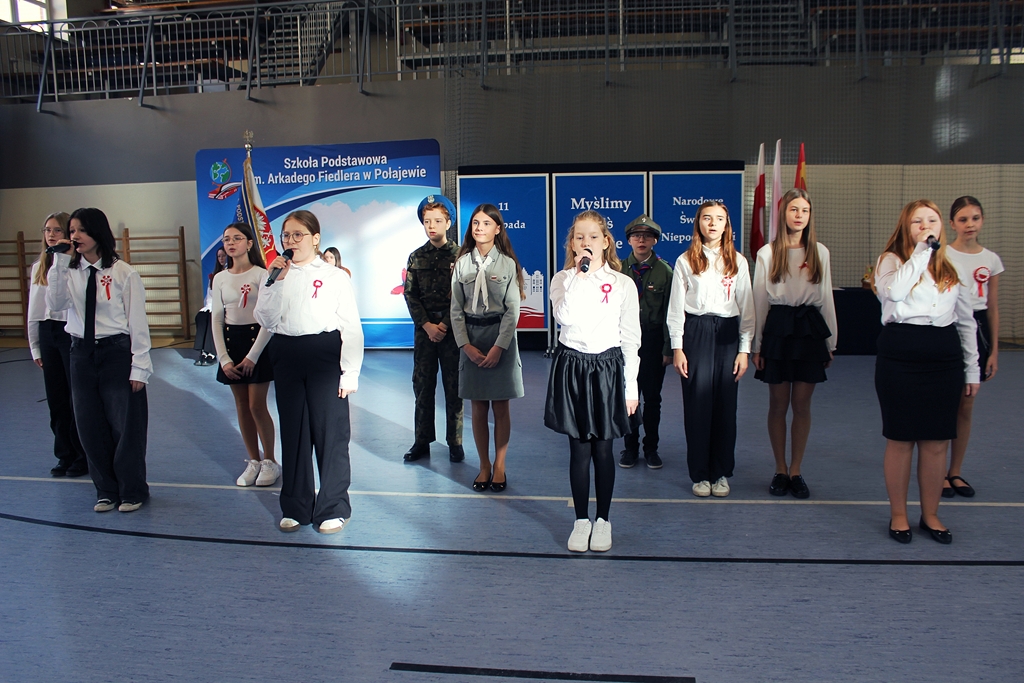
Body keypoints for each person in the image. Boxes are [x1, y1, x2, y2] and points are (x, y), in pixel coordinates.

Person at [873, 199, 979, 544]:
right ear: (906, 228)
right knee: (901, 438)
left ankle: (931, 514)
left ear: (941, 225)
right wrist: (921, 253)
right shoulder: (891, 261)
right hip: (900, 354)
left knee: (936, 441)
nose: (925, 226)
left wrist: (972, 370)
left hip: (943, 357)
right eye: (917, 221)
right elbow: (895, 291)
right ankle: (899, 514)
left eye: (931, 220)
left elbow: (966, 322)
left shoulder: (951, 267)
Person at [254, 210, 364, 534]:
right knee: (294, 433)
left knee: (330, 433)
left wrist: (350, 372)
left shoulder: (334, 276)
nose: (291, 241)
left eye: (298, 234)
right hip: (286, 353)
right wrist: (275, 283)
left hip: (323, 354)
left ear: (315, 239)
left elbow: (350, 326)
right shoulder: (276, 273)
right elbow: (265, 319)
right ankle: (296, 506)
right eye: (286, 235)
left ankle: (333, 506)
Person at [545, 210, 640, 552]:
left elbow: (631, 337)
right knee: (579, 449)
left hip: (608, 368)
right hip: (573, 365)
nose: (586, 242)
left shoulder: (622, 283)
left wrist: (631, 387)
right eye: (579, 237)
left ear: (606, 242)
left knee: (603, 448)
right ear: (571, 243)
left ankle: (603, 521)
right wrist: (579, 276)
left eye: (593, 237)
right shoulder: (562, 279)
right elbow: (564, 316)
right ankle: (581, 520)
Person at [46, 207, 151, 513]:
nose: (74, 236)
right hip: (81, 353)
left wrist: (140, 367)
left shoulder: (122, 273)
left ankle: (132, 490)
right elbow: (56, 305)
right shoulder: (67, 270)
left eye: (81, 230)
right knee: (89, 424)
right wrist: (60, 263)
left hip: (115, 352)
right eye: (72, 231)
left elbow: (138, 323)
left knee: (124, 425)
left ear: (97, 233)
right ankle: (105, 490)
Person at [751, 188, 837, 500]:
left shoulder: (820, 252)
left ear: (810, 215)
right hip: (778, 329)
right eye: (793, 210)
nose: (799, 215)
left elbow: (826, 297)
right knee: (778, 404)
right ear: (783, 213)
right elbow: (759, 301)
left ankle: (797, 470)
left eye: (804, 210)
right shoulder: (767, 253)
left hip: (808, 330)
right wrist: (757, 345)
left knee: (801, 405)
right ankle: (780, 469)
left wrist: (830, 342)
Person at [667, 201, 755, 498]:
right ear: (699, 223)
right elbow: (676, 309)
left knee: (725, 407)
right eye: (707, 218)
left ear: (727, 225)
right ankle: (700, 474)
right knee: (697, 405)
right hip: (696, 332)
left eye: (719, 218)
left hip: (728, 334)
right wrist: (678, 347)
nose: (713, 223)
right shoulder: (685, 261)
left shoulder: (737, 261)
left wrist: (744, 349)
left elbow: (747, 308)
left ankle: (720, 472)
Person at [450, 203, 524, 493]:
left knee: (501, 406)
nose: (479, 228)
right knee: (478, 407)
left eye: (486, 223)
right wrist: (465, 346)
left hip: (499, 339)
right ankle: (484, 466)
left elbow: (512, 310)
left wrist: (499, 347)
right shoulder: (462, 264)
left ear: (498, 229)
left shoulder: (507, 265)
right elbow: (456, 309)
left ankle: (500, 466)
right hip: (471, 338)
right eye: (475, 223)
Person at [211, 222, 280, 488]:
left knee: (256, 405)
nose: (231, 243)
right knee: (241, 405)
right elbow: (217, 319)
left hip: (257, 344)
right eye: (227, 239)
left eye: (237, 238)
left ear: (249, 243)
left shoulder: (262, 275)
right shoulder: (220, 278)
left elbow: (268, 319)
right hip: (232, 343)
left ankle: (270, 460)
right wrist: (224, 359)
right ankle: (253, 460)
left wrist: (253, 356)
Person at [942, 196, 1002, 499]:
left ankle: (955, 471)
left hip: (977, 329)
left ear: (982, 220)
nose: (970, 224)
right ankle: (937, 471)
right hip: (947, 325)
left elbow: (992, 307)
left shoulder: (990, 259)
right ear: (952, 223)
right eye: (963, 219)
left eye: (975, 218)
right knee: (944, 402)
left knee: (966, 404)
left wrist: (994, 351)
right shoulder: (942, 255)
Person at [402, 195, 464, 463]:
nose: (432, 226)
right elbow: (410, 294)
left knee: (454, 387)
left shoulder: (461, 256)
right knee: (423, 386)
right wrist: (427, 325)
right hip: (425, 332)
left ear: (448, 223)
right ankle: (422, 441)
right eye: (427, 221)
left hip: (452, 331)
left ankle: (455, 442)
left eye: (438, 221)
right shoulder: (416, 256)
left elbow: (462, 296)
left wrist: (444, 325)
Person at [27, 211, 88, 477]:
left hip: (69, 331)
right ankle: (64, 455)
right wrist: (35, 346)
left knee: (76, 398)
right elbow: (34, 310)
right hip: (48, 332)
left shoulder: (75, 265)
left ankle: (83, 455)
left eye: (57, 230)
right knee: (57, 399)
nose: (51, 235)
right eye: (47, 230)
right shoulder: (39, 266)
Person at [618, 214, 673, 470]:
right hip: (625, 340)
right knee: (629, 395)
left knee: (652, 398)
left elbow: (670, 312)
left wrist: (668, 347)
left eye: (647, 236)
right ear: (628, 240)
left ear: (655, 241)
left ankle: (651, 448)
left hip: (652, 340)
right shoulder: (618, 270)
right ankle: (630, 447)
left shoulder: (665, 271)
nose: (642, 240)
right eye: (637, 236)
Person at [194, 247, 226, 366]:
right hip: (213, 306)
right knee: (202, 316)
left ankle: (211, 352)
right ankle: (203, 351)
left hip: (226, 308)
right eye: (219, 256)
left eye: (223, 256)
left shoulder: (231, 274)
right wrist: (208, 308)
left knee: (214, 317)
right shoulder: (214, 276)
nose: (221, 258)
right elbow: (210, 296)